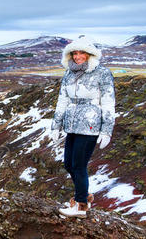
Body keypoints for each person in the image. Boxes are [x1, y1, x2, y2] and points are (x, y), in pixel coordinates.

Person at [48, 35, 116, 218]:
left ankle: (81, 207)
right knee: (69, 164)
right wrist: (56, 126)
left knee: (78, 165)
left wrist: (107, 130)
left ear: (90, 54)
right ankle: (84, 196)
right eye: (74, 53)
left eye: (81, 53)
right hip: (72, 125)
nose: (77, 56)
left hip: (90, 125)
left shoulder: (102, 73)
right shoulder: (69, 73)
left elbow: (108, 103)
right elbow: (62, 100)